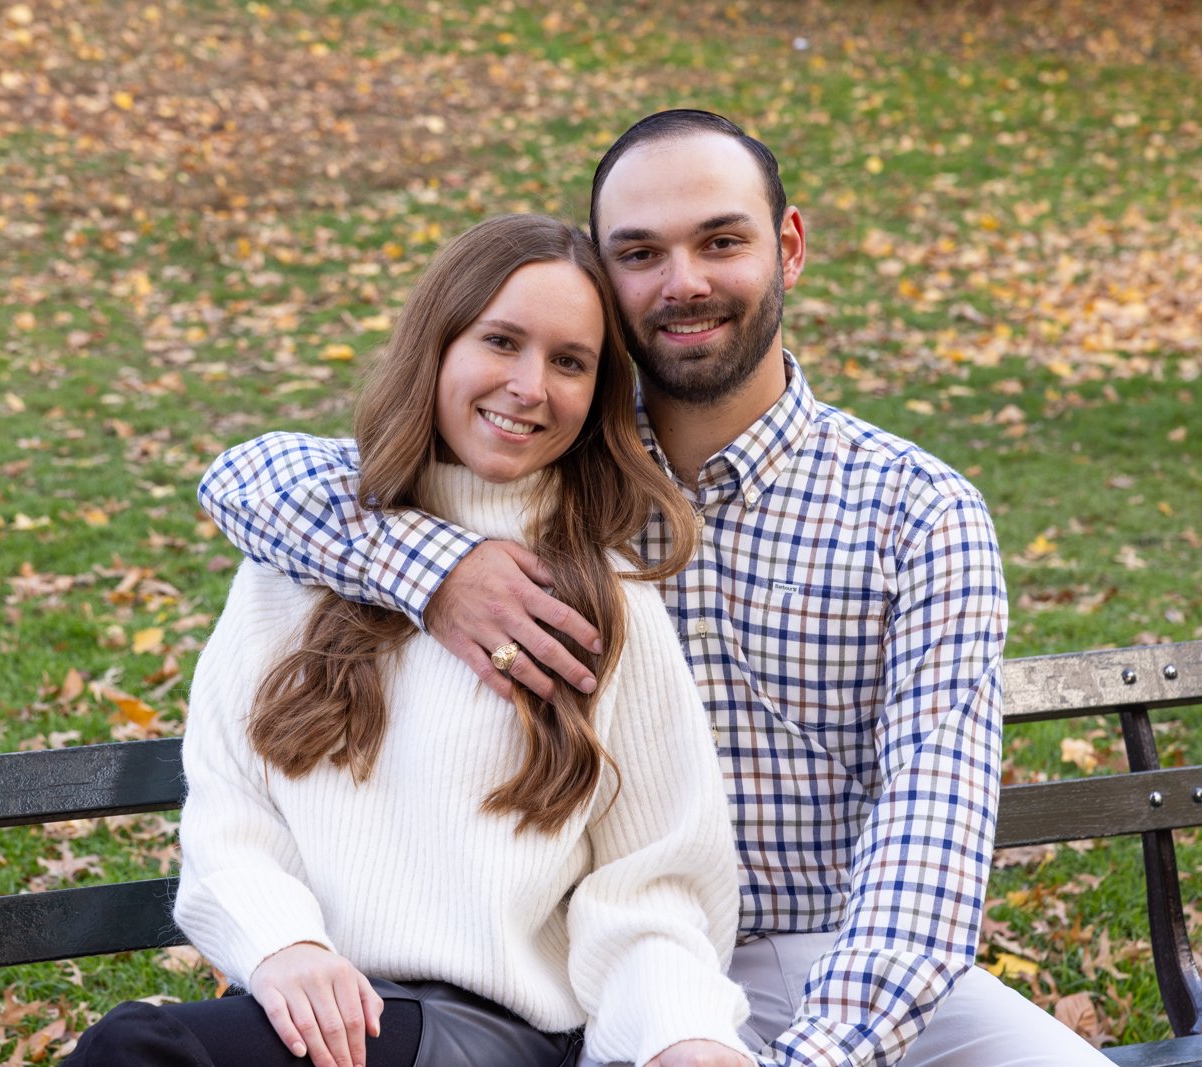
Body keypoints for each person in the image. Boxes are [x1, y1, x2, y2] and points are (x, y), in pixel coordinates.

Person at [197, 111, 1110, 1066]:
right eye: (640, 252)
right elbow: (252, 478)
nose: (685, 282)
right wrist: (440, 574)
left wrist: (822, 1056)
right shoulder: (545, 460)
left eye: (722, 241)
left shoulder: (915, 512)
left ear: (787, 248)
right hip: (603, 977)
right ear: (603, 277)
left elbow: (929, 848)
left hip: (835, 966)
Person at [68, 214, 753, 1067]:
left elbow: (652, 890)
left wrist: (683, 1040)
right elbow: (231, 803)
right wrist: (286, 945)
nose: (530, 386)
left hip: (491, 1040)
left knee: (141, 1051)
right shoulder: (303, 559)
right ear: (435, 345)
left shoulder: (600, 602)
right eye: (501, 341)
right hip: (304, 1018)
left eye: (569, 362)